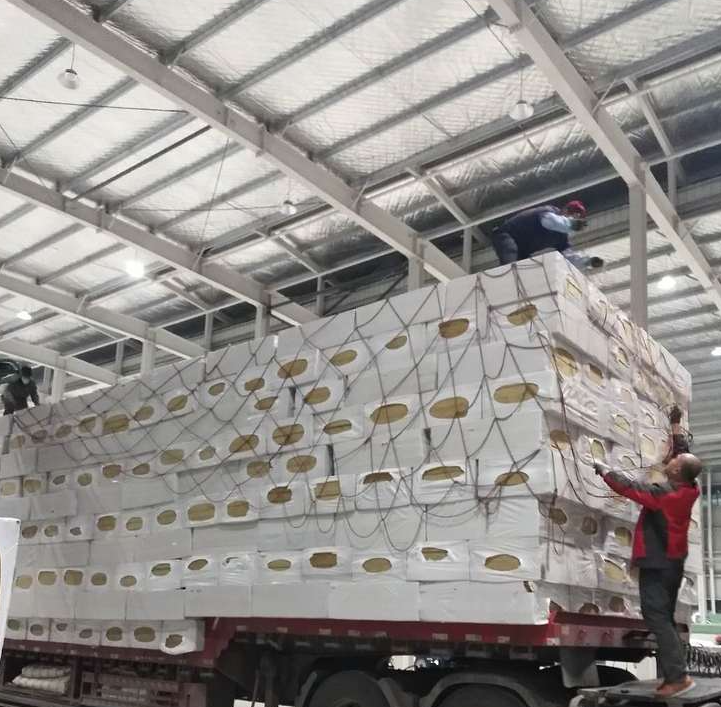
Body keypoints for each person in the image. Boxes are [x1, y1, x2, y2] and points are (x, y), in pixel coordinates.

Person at [594, 405, 701, 699]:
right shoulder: (690, 487)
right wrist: (675, 426)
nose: (670, 459)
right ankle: (675, 675)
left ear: (676, 471)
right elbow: (684, 455)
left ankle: (677, 678)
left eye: (674, 460)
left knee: (656, 618)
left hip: (657, 562)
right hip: (673, 562)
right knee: (664, 617)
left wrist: (605, 470)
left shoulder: (664, 496)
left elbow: (630, 488)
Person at [491, 200, 604, 271]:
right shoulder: (549, 211)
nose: (572, 217)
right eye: (571, 214)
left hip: (523, 250)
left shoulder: (561, 238)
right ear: (565, 209)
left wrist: (587, 262)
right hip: (506, 235)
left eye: (576, 217)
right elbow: (550, 222)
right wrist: (571, 224)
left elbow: (569, 256)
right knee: (510, 263)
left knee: (524, 272)